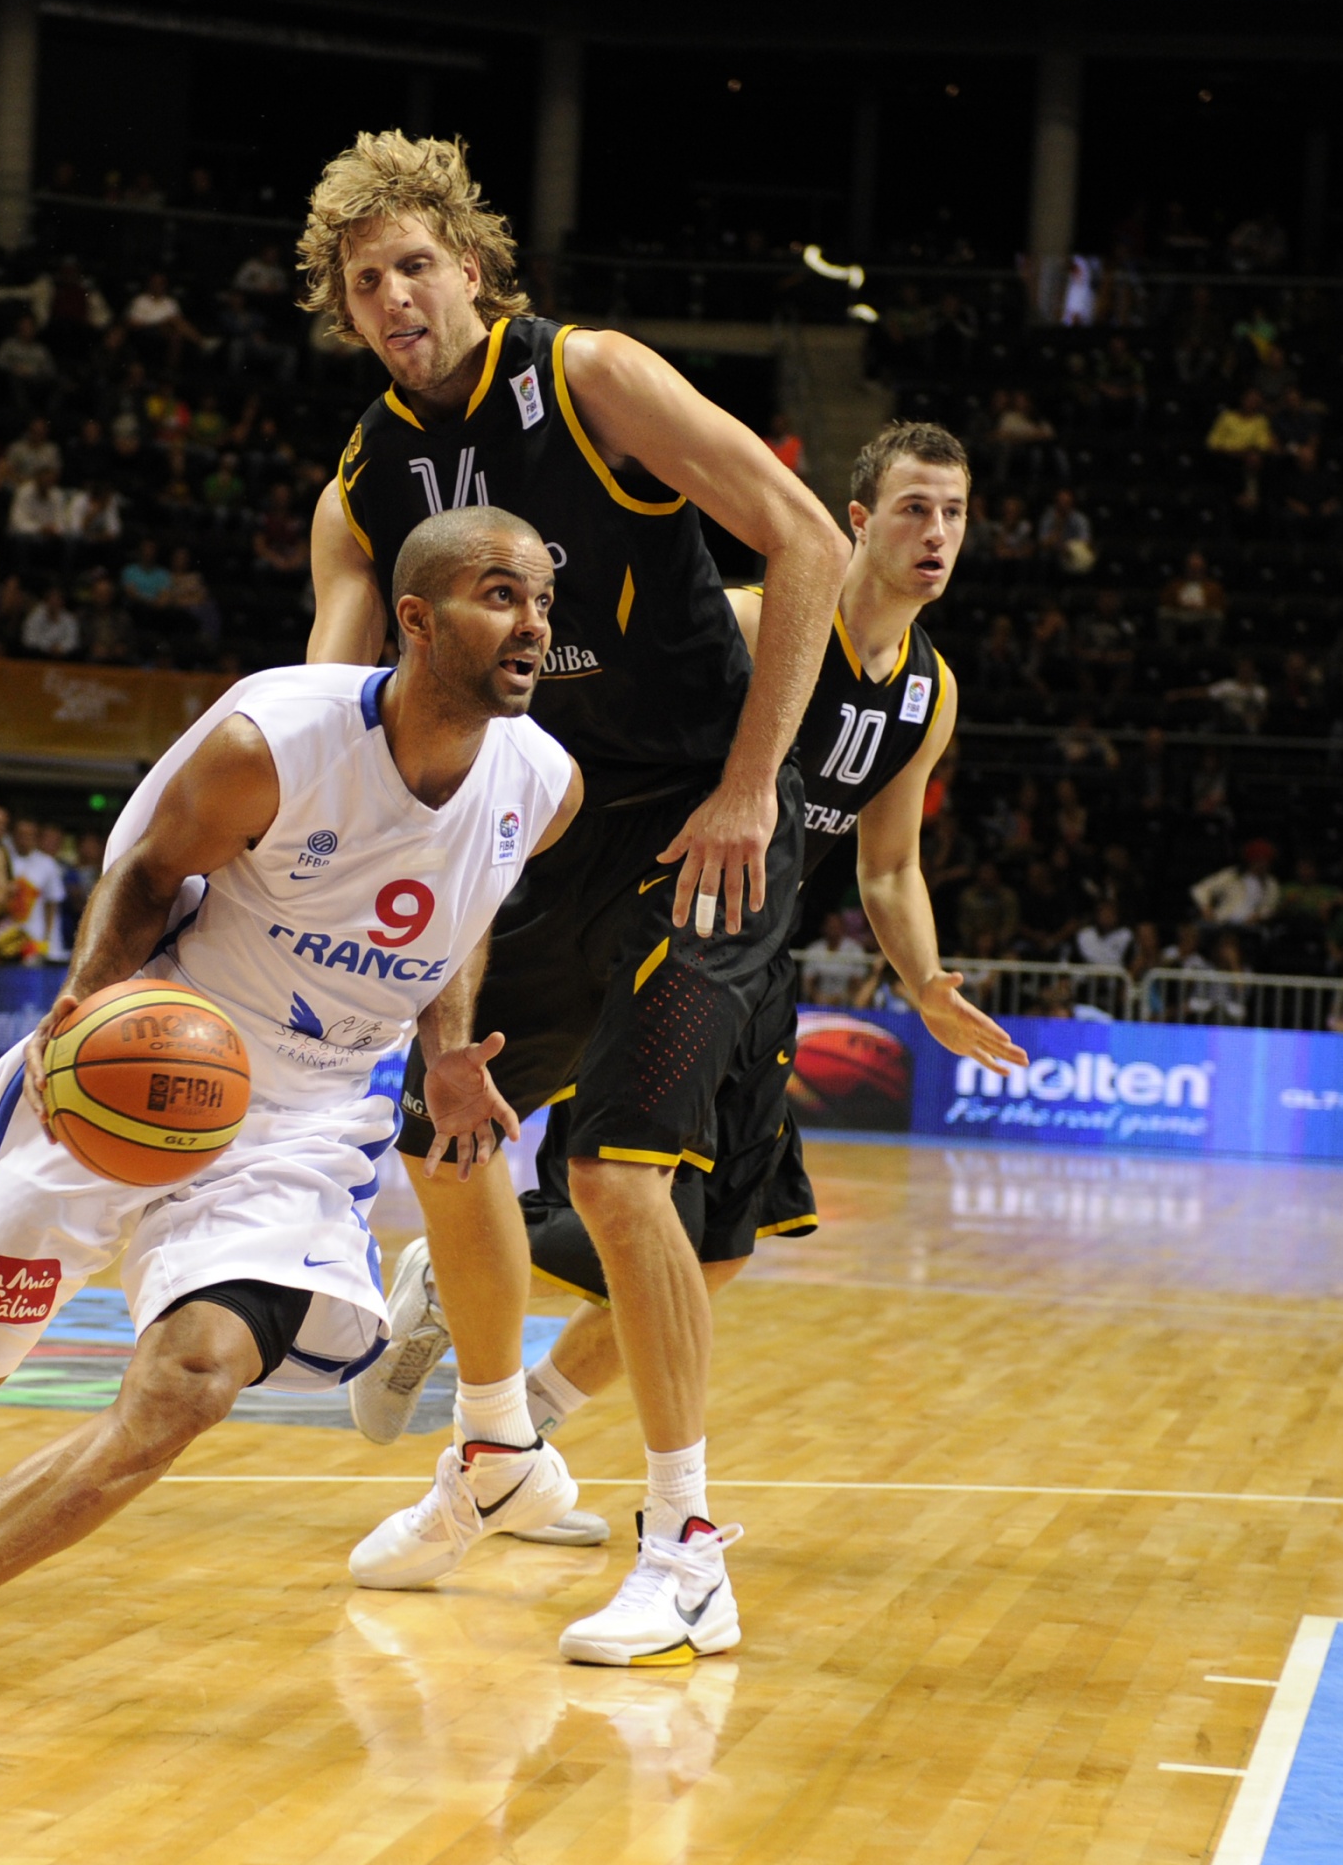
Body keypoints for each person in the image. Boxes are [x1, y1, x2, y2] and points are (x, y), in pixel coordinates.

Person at [0, 506, 581, 1747]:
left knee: (193, 1380)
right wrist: (85, 1010)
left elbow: (458, 923)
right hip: (147, 1057)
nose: (532, 626)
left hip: (304, 1119)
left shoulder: (543, 785)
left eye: (540, 603)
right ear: (414, 618)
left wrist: (447, 1049)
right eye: (500, 597)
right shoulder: (276, 740)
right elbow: (147, 874)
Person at [302, 131, 850, 1664]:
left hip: (706, 819)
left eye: (416, 263)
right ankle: (495, 1451)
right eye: (365, 282)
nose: (395, 294)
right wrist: (415, 971)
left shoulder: (590, 375)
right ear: (346, 314)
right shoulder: (367, 479)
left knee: (618, 1181)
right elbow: (346, 707)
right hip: (540, 824)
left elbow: (807, 537)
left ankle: (685, 1549)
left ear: (472, 269)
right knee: (446, 1123)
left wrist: (753, 784)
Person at [437, 426, 1027, 1519]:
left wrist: (930, 983)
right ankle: (478, 1293)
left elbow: (888, 866)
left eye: (951, 512)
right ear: (855, 521)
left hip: (755, 958)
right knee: (616, 1186)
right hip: (651, 929)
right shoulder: (756, 622)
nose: (934, 533)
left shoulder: (927, 693)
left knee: (713, 1257)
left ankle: (515, 1423)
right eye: (911, 509)